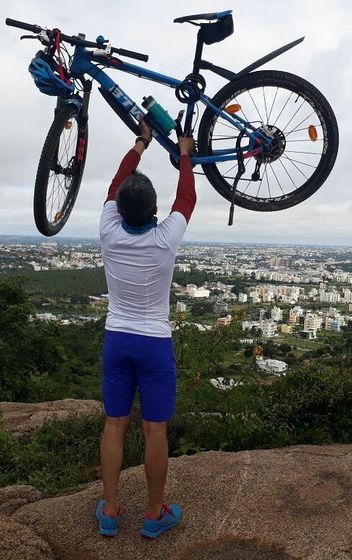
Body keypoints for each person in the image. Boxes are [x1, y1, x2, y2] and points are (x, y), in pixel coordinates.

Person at [95, 120, 196, 539]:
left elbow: (117, 181)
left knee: (114, 423)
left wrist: (141, 142)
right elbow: (187, 197)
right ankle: (154, 513)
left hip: (117, 338)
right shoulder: (165, 239)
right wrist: (185, 154)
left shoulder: (107, 229)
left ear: (119, 206)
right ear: (154, 211)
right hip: (154, 343)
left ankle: (112, 509)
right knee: (155, 429)